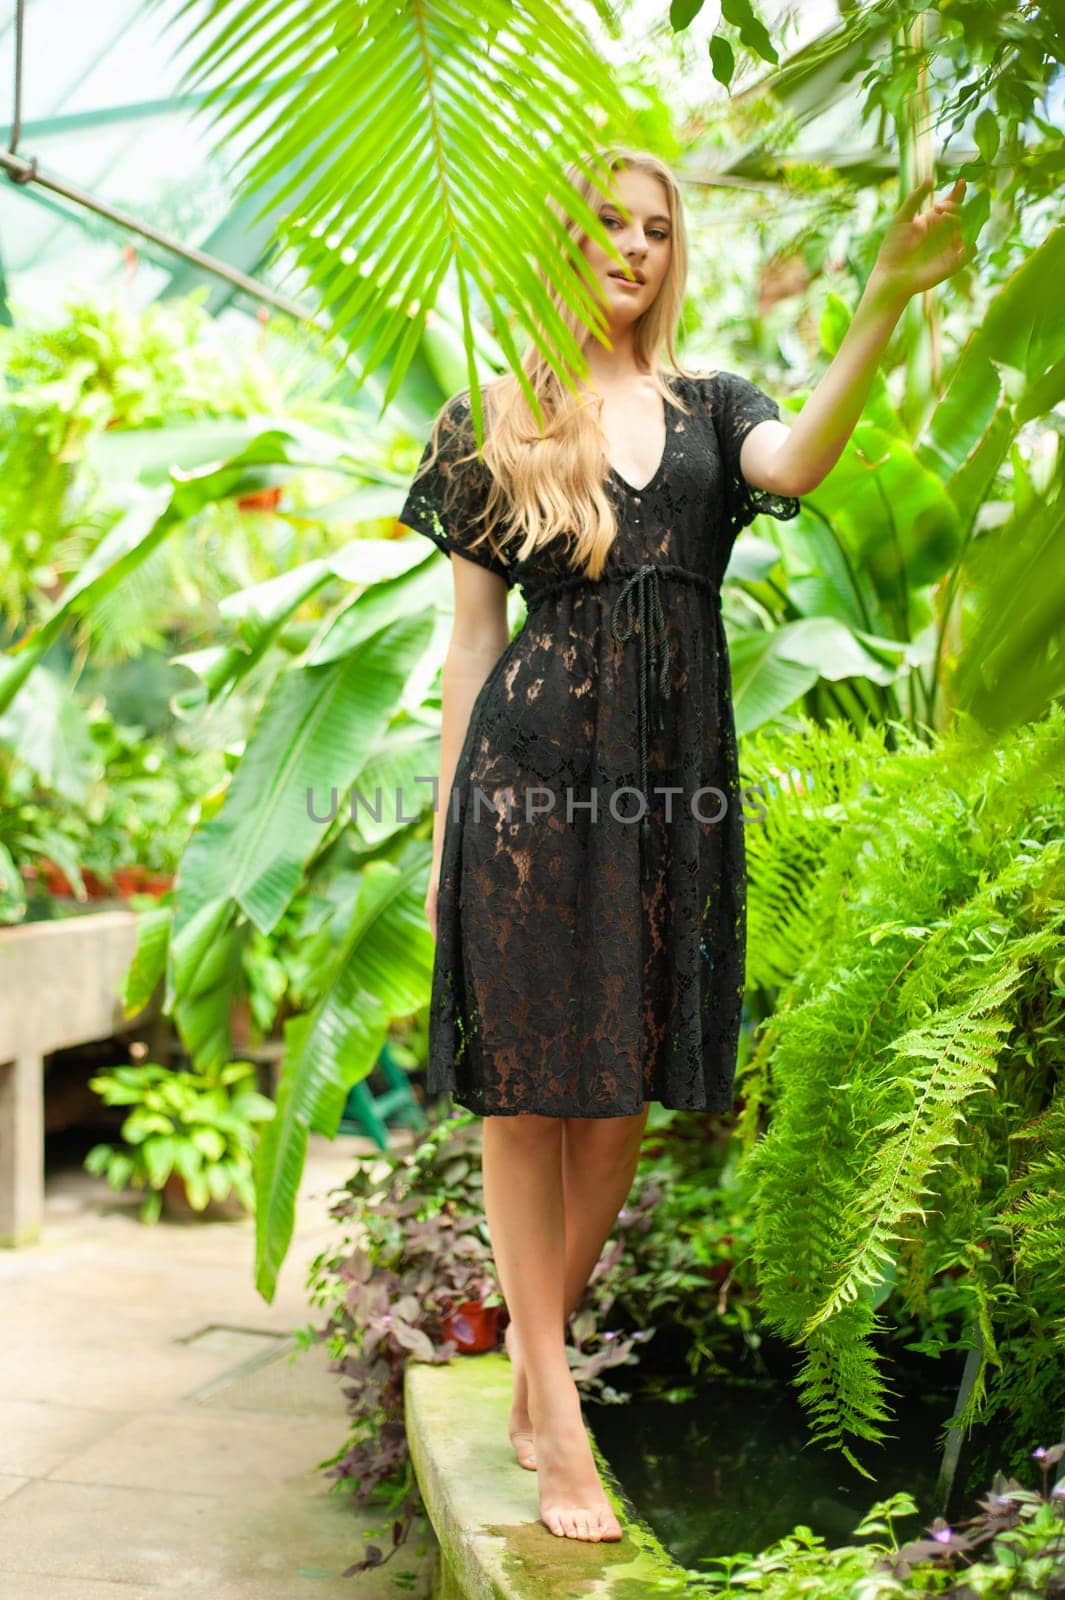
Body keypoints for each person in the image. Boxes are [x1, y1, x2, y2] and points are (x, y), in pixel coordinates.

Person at [398, 146, 969, 1543]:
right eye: (607, 221)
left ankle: (534, 1359)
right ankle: (556, 1405)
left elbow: (806, 458)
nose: (634, 247)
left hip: (668, 796)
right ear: (560, 238)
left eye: (657, 229)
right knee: (527, 1096)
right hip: (526, 784)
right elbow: (472, 651)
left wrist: (884, 300)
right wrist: (442, 836)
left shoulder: (715, 409)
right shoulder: (492, 420)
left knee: (619, 1105)